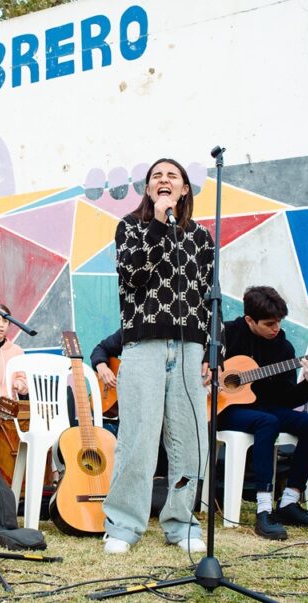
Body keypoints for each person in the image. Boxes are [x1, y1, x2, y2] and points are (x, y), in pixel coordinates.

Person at [102, 158, 213, 555]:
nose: (164, 181)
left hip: (189, 347)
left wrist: (212, 349)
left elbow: (209, 296)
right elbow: (133, 273)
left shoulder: (202, 238)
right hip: (142, 344)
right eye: (156, 177)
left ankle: (182, 522)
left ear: (185, 189)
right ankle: (123, 524)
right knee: (138, 437)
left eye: (173, 177)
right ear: (148, 189)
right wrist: (158, 225)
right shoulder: (130, 228)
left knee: (188, 440)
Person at [220, 286, 308, 540]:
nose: (275, 328)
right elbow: (200, 367)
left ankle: (288, 502)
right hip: (226, 409)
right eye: (268, 323)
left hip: (267, 409)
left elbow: (287, 400)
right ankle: (263, 508)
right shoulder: (226, 335)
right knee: (268, 422)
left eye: (278, 322)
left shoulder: (283, 349)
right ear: (249, 320)